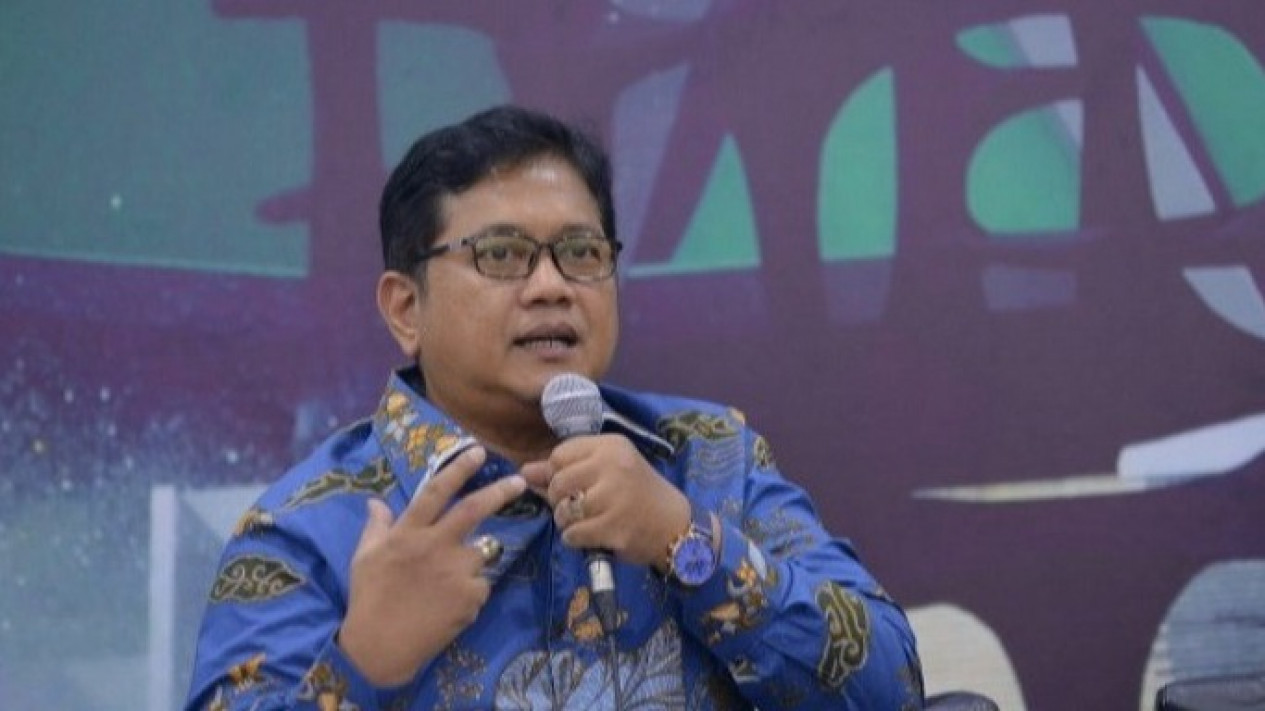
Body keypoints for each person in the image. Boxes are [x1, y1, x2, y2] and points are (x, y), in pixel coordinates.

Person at [185, 104, 924, 710]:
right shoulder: (309, 530)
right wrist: (362, 663)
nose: (551, 286)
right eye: (502, 254)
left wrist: (685, 541)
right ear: (406, 308)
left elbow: (892, 686)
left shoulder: (707, 458)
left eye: (581, 252)